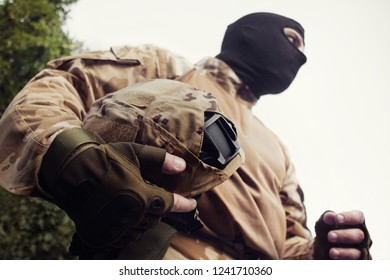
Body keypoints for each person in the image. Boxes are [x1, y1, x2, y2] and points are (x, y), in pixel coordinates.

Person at [0, 12, 372, 260]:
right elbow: (55, 89)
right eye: (292, 40)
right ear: (249, 33)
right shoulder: (166, 69)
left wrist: (321, 254)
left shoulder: (278, 150)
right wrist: (67, 155)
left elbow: (289, 243)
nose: (300, 58)